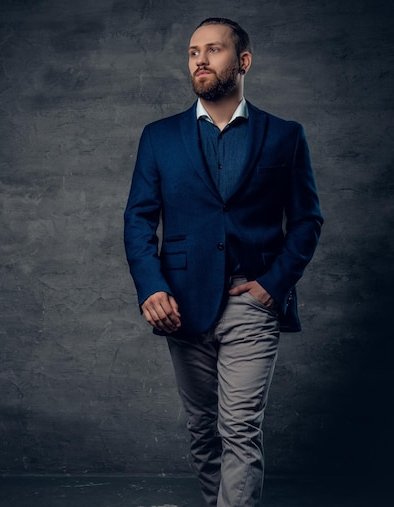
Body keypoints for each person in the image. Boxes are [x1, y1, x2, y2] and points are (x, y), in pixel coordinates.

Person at [123, 17, 323, 507]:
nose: (200, 60)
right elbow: (138, 220)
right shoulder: (159, 137)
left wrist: (271, 285)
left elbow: (306, 221)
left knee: (239, 429)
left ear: (243, 61)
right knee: (202, 431)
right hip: (182, 306)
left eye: (213, 50)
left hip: (251, 301)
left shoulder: (284, 136)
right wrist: (151, 287)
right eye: (193, 52)